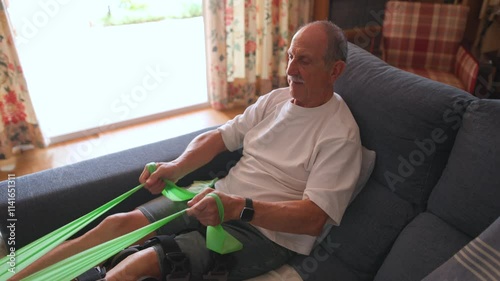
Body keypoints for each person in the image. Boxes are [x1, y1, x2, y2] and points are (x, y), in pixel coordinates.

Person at [10, 20, 362, 281]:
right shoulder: (276, 99)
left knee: (136, 266)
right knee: (120, 224)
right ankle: (14, 276)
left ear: (335, 71)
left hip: (263, 233)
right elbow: (219, 137)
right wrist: (176, 167)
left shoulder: (340, 135)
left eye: (303, 61)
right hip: (216, 196)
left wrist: (242, 208)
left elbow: (313, 218)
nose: (289, 70)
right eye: (289, 56)